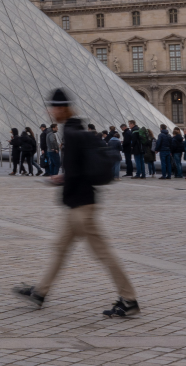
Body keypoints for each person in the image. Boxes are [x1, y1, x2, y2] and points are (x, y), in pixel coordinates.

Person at [14, 88, 139, 318]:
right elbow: (78, 168)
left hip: (81, 207)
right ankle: (40, 292)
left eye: (52, 107)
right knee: (60, 249)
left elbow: (73, 171)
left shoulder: (70, 133)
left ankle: (129, 298)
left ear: (61, 108)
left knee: (103, 254)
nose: (49, 111)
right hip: (78, 204)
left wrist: (61, 180)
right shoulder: (76, 129)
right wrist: (64, 178)